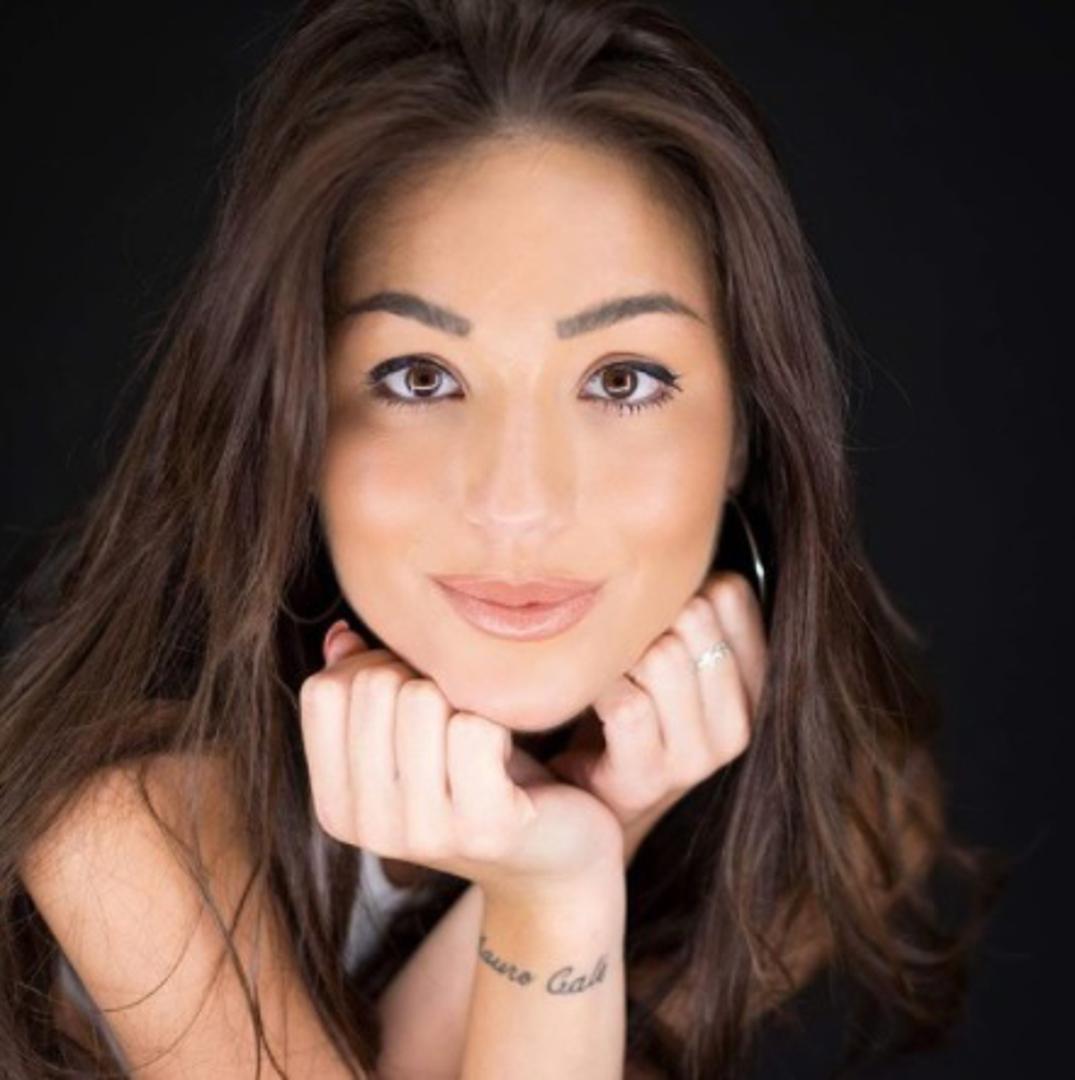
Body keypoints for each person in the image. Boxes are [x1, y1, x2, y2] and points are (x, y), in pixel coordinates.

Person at [0, 0, 1008, 1077]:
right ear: (290, 419)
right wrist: (559, 884)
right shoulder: (127, 821)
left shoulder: (830, 828)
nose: (518, 505)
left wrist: (589, 832)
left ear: (745, 433)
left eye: (621, 381)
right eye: (418, 378)